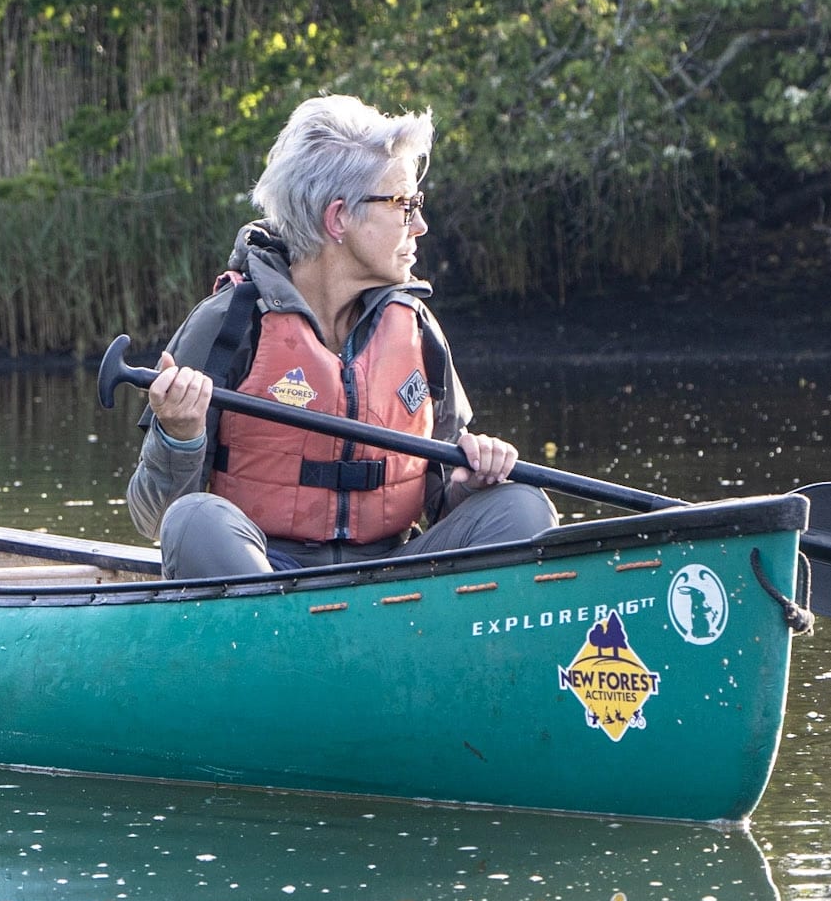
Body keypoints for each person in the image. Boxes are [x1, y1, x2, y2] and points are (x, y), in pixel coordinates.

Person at [127, 95, 555, 578]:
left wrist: (470, 484)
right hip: (270, 577)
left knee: (522, 508)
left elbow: (439, 498)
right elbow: (153, 518)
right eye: (404, 204)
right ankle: (288, 639)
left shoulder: (417, 329)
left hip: (396, 578)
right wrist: (178, 437)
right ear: (338, 219)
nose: (420, 224)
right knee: (193, 521)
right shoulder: (228, 324)